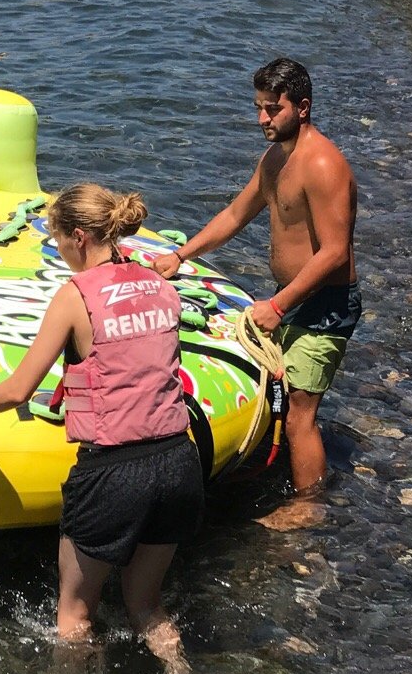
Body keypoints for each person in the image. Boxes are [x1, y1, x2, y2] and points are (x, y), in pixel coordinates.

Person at [0, 183, 199, 674]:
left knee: (73, 613)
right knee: (146, 605)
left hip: (115, 474)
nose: (57, 248)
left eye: (56, 238)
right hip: (178, 463)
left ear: (79, 236)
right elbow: (140, 366)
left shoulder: (76, 295)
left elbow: (16, 390)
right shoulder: (161, 286)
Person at [151, 57, 359, 531]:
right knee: (283, 391)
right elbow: (234, 215)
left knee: (302, 413)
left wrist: (279, 306)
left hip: (322, 302)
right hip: (290, 295)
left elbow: (334, 252)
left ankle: (309, 508)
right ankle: (269, 469)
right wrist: (180, 256)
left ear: (302, 107)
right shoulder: (275, 159)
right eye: (259, 108)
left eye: (273, 109)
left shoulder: (323, 164)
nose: (262, 119)